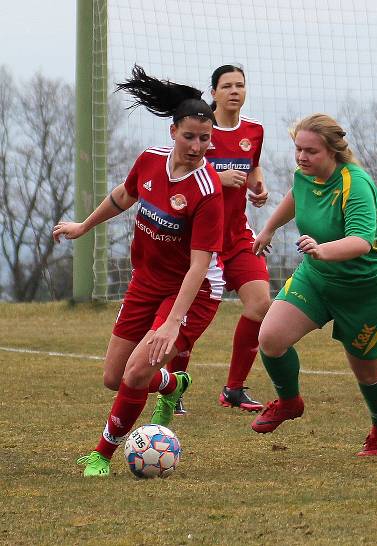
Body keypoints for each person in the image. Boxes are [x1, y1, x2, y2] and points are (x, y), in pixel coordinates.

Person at [53, 65, 224, 476]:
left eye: (205, 138)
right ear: (173, 132)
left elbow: (199, 265)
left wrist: (172, 324)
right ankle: (170, 383)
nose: (198, 146)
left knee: (134, 372)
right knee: (114, 376)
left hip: (191, 292)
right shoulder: (149, 161)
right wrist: (83, 225)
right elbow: (123, 196)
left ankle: (102, 454)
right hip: (145, 282)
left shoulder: (208, 192)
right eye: (190, 136)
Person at [249, 113, 377, 456]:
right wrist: (270, 228)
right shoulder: (304, 176)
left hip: (365, 288)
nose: (302, 157)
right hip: (317, 278)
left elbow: (362, 241)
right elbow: (295, 196)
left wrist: (321, 249)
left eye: (311, 151)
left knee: (367, 372)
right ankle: (290, 402)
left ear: (333, 151)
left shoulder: (355, 183)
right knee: (270, 338)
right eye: (298, 149)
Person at [167, 64, 271, 415]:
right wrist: (215, 176)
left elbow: (252, 167)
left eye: (240, 85)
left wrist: (259, 186)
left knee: (260, 305)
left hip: (238, 236)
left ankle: (234, 389)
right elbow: (179, 170)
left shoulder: (254, 131)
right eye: (226, 86)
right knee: (189, 321)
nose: (234, 91)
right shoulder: (200, 130)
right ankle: (174, 385)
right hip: (200, 241)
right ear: (213, 92)